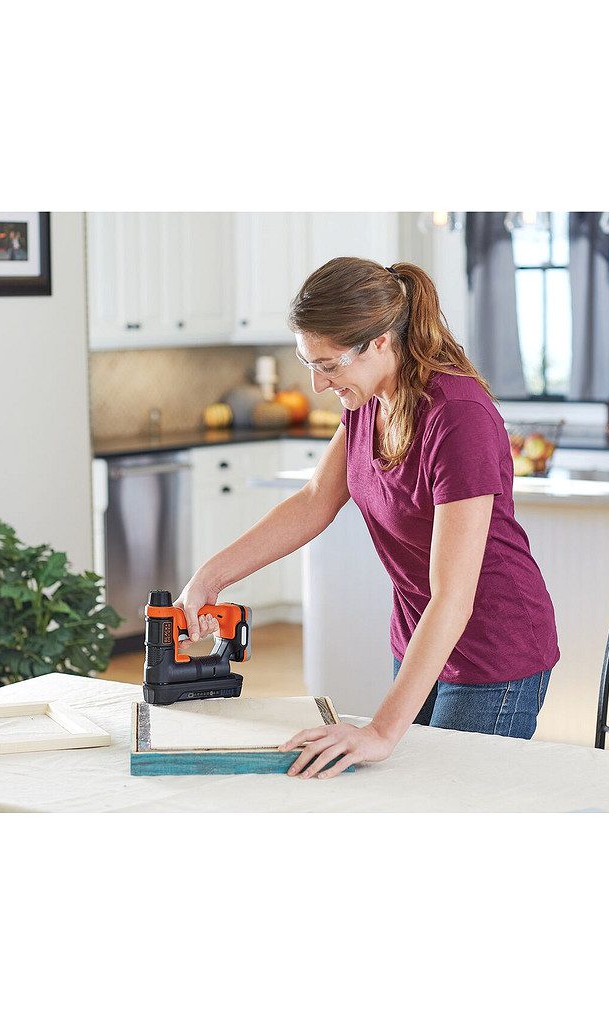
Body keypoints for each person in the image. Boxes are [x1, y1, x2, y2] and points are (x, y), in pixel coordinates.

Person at [174, 257, 559, 779]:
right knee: (406, 793)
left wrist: (379, 730)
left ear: (379, 342)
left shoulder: (457, 416)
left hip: (493, 651)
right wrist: (210, 577)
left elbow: (454, 596)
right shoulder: (369, 401)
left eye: (329, 365)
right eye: (309, 363)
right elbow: (315, 500)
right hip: (422, 639)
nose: (318, 384)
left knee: (450, 799)